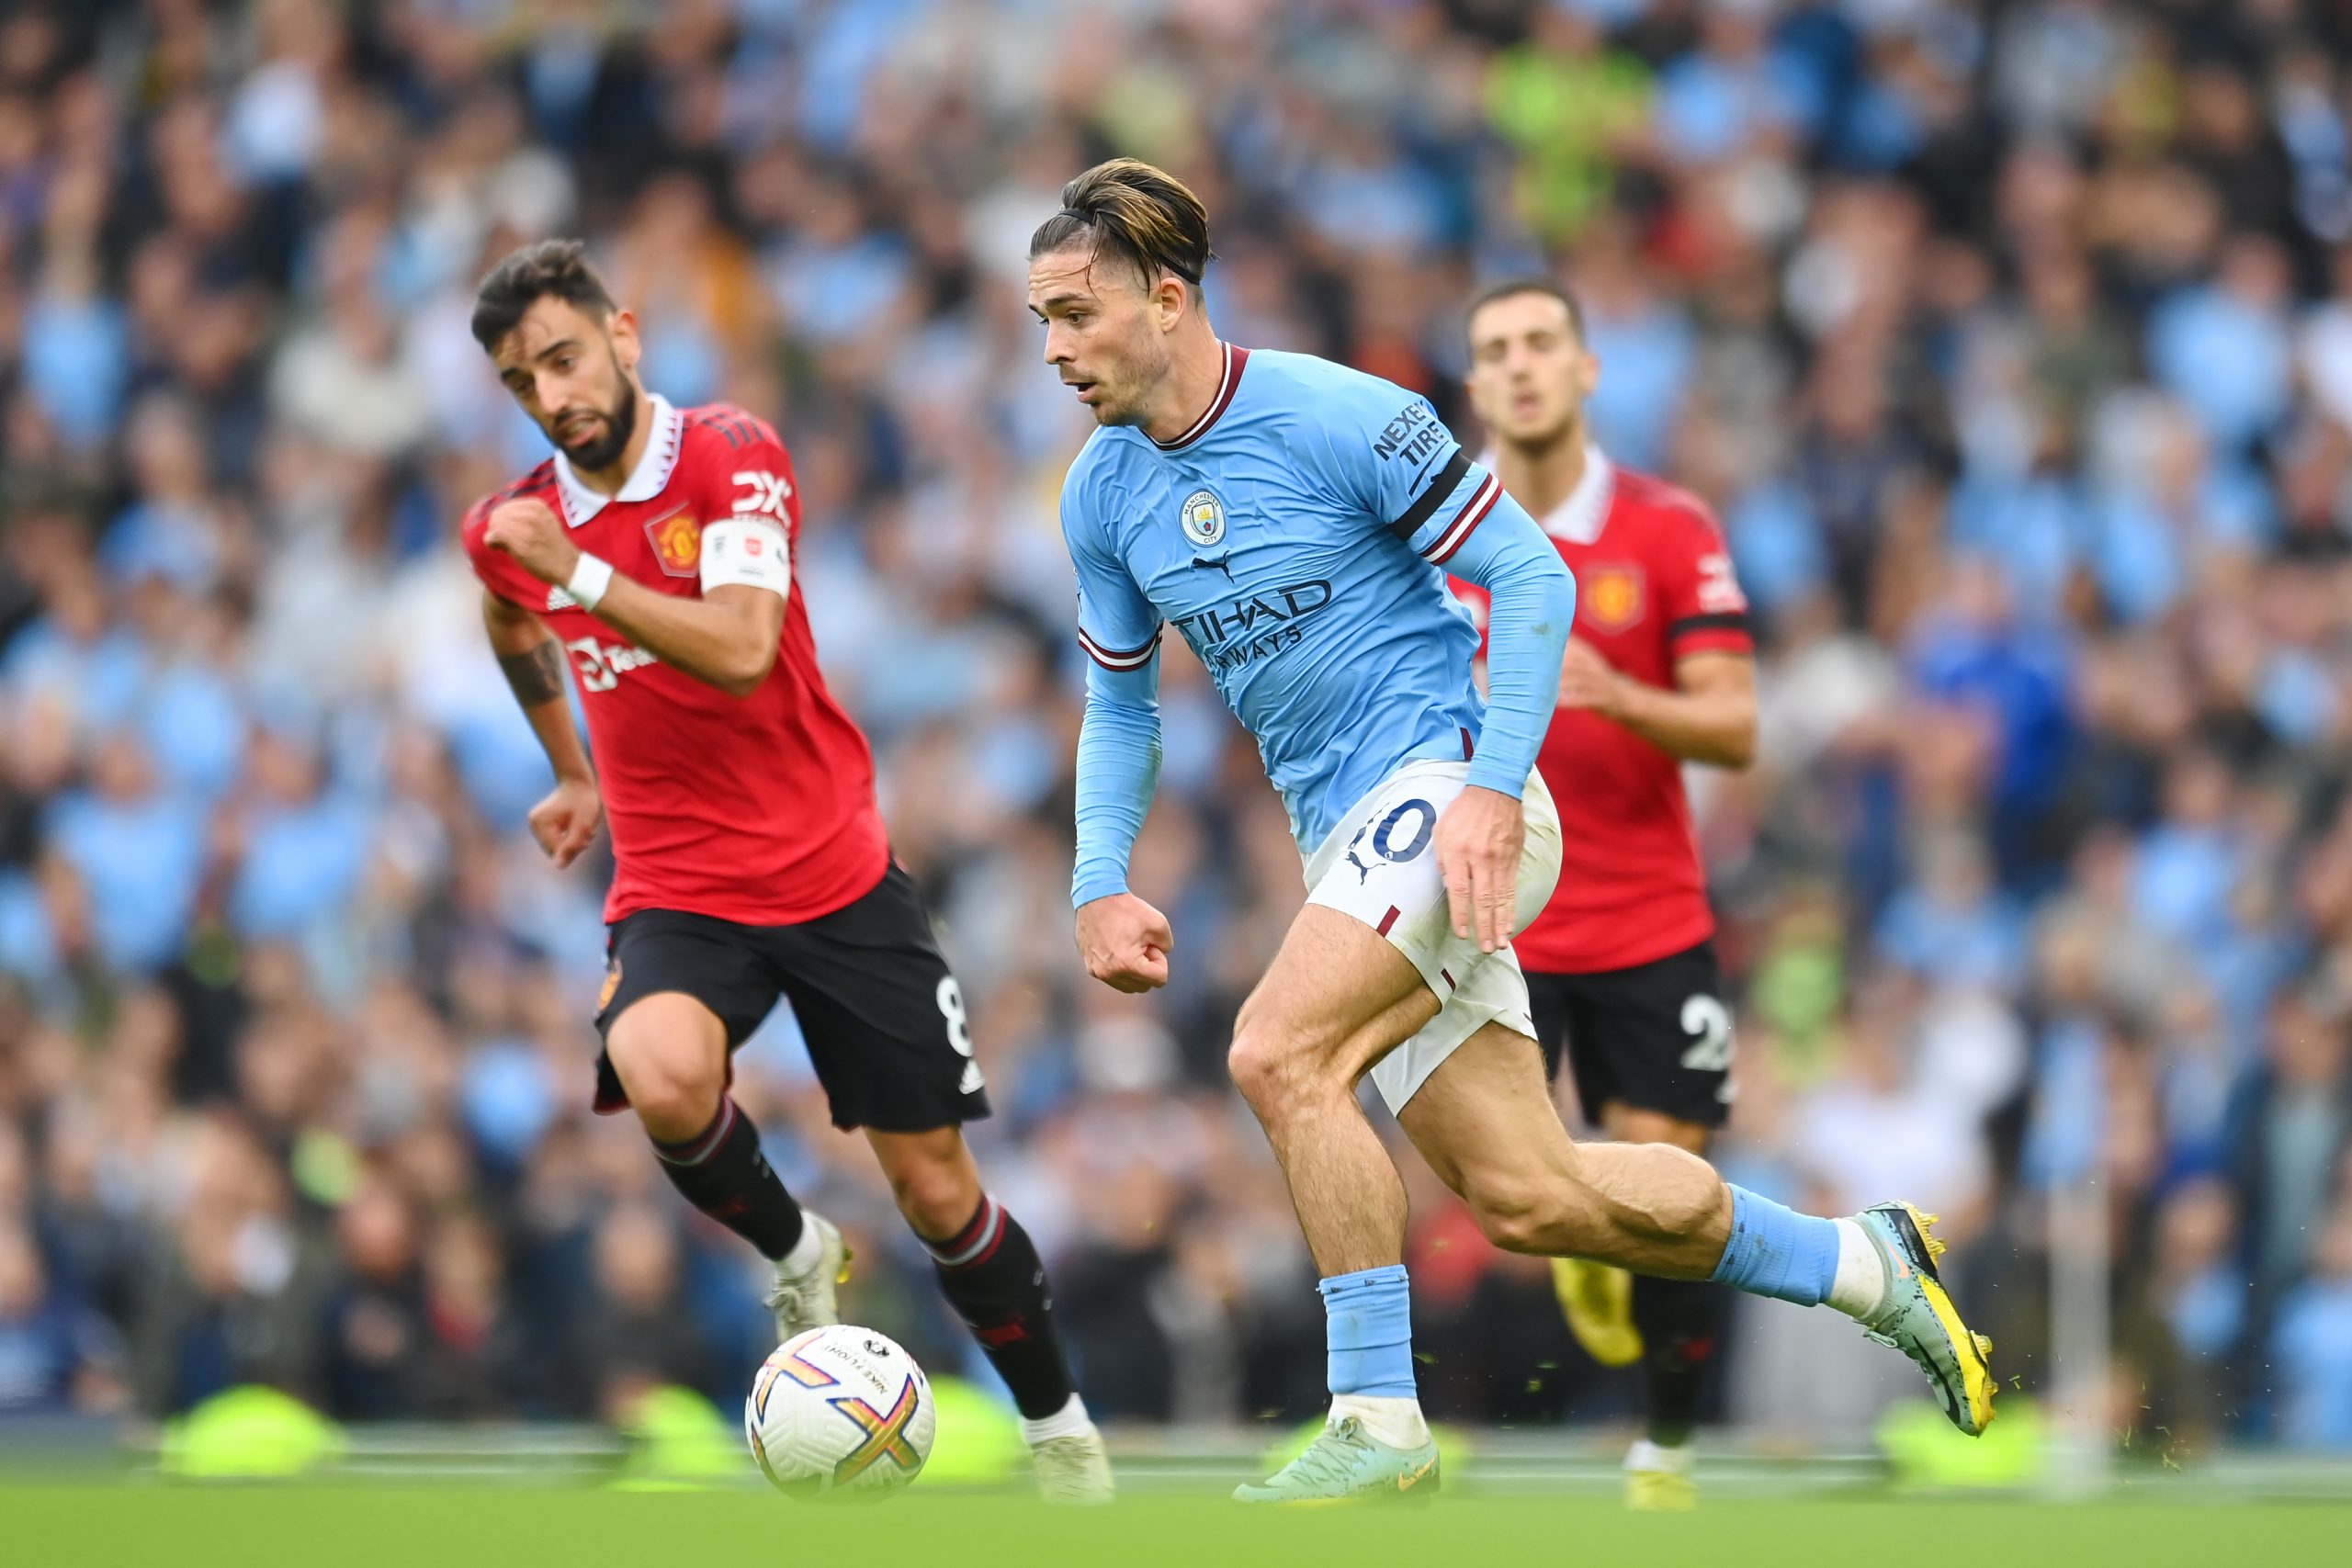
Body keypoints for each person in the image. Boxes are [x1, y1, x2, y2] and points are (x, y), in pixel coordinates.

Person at [1035, 159, 1995, 1504]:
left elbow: (1530, 575)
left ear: (1170, 296)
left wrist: (1491, 786)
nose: (1058, 348)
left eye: (1078, 314)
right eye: (1043, 324)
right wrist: (1096, 878)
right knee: (1534, 1197)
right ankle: (1863, 1264)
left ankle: (1377, 1414)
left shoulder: (1338, 415)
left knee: (1276, 1051)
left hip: (1450, 792)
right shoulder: (1100, 497)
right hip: (1352, 838)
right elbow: (1121, 706)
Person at [458, 240, 1109, 1502]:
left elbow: (746, 648)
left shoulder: (728, 453)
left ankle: (1058, 1426)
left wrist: (580, 572)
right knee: (655, 1068)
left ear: (625, 336)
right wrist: (573, 770)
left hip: (833, 872)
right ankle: (796, 1247)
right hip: (677, 886)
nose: (551, 395)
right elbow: (508, 615)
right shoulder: (513, 530)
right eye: (521, 381)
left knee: (934, 1193)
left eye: (564, 357)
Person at [1456, 277, 1757, 1510]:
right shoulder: (1438, 530)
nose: (1520, 368)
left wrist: (1620, 694)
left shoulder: (1667, 527)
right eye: (1495, 352)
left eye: (1541, 344)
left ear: (1587, 370)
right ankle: (1577, 1241)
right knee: (1509, 1201)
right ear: (1473, 386)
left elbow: (1736, 728)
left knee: (1677, 1196)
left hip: (1645, 922)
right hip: (1495, 922)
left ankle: (1666, 1454)